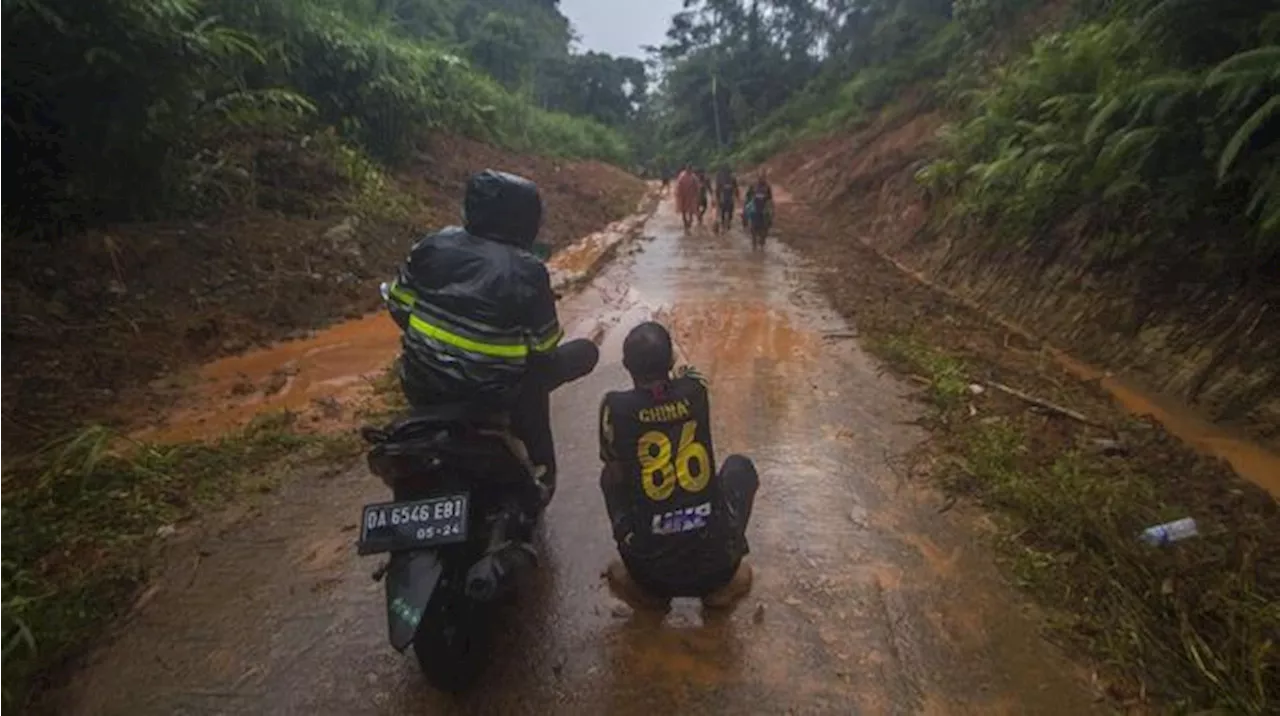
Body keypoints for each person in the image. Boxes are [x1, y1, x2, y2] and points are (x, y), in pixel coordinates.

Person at [386, 170, 599, 504]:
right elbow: (543, 348)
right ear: (525, 220)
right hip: (493, 395)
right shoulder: (527, 270)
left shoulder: (432, 244)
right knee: (572, 359)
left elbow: (398, 306)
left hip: (420, 383)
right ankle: (542, 474)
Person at [598, 322, 758, 609]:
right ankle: (721, 588)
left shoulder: (614, 407)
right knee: (739, 467)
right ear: (669, 359)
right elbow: (685, 367)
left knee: (609, 478)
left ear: (626, 365)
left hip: (650, 574)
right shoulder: (696, 389)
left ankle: (645, 588)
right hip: (716, 569)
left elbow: (614, 468)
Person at [674, 165, 700, 231]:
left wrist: (696, 194)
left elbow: (697, 186)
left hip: (691, 195)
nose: (689, 171)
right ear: (686, 169)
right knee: (683, 209)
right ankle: (685, 220)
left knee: (691, 209)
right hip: (683, 195)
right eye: (688, 169)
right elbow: (678, 185)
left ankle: (690, 220)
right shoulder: (682, 176)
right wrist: (678, 194)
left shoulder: (693, 177)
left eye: (690, 170)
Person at [714, 167, 738, 233]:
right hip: (724, 199)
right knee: (723, 213)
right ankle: (723, 226)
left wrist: (737, 197)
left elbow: (736, 189)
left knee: (729, 213)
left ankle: (727, 224)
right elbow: (717, 190)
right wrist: (717, 199)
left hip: (728, 198)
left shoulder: (732, 179)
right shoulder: (721, 179)